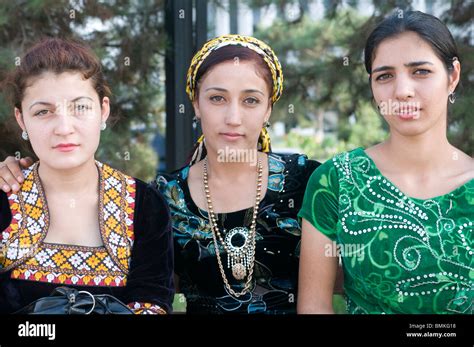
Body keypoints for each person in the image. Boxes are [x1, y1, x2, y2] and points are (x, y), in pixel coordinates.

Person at [298, 11, 473, 314]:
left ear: (452, 76)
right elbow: (314, 306)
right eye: (385, 76)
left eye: (420, 71)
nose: (402, 91)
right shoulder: (337, 181)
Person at [0, 38, 174, 314]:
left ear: (103, 110)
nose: (64, 128)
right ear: (22, 119)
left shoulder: (145, 205)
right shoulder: (3, 198)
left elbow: (152, 302)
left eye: (80, 107)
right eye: (44, 111)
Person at [155, 34, 320, 313]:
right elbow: (156, 296)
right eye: (217, 98)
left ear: (268, 108)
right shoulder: (167, 195)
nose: (233, 118)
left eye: (251, 101)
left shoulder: (303, 180)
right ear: (196, 103)